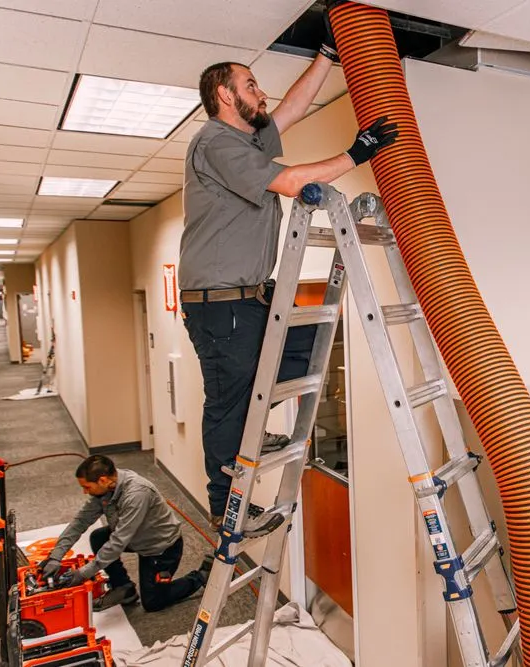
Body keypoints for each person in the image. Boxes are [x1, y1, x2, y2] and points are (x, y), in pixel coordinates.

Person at [179, 17, 398, 535]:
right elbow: (292, 182)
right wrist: (356, 153)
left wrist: (326, 52)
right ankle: (223, 503)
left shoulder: (248, 141)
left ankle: (250, 441)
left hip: (249, 295)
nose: (262, 91)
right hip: (219, 303)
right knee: (230, 397)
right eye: (251, 84)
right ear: (224, 95)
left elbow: (291, 110)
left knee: (305, 345)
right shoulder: (215, 142)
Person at [39, 455, 210, 612]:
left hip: (160, 548)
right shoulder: (107, 489)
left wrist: (83, 573)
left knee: (153, 602)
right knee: (98, 537)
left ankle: (202, 576)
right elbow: (80, 522)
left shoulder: (137, 494)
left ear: (103, 480)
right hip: (135, 538)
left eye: (86, 487)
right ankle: (124, 588)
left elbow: (118, 541)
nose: (85, 491)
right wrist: (56, 556)